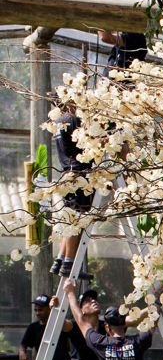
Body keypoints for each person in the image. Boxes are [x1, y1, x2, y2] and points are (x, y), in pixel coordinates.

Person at [50, 106, 96, 279]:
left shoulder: (59, 121)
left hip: (68, 175)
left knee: (71, 219)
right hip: (79, 175)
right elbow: (87, 141)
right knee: (76, 222)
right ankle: (69, 263)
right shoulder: (72, 120)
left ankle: (60, 260)